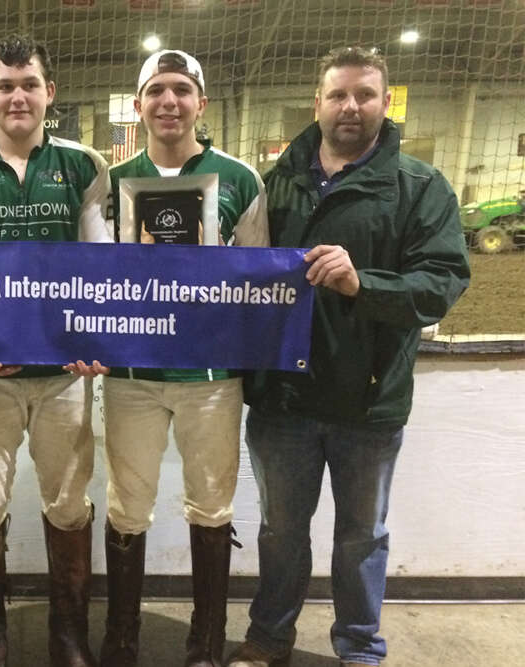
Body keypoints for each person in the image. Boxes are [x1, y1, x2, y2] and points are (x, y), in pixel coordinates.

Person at [227, 46, 470, 667]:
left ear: (386, 103)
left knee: (363, 536)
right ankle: (268, 638)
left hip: (370, 399)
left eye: (365, 95)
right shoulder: (272, 185)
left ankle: (359, 647)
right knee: (280, 533)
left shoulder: (419, 186)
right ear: (318, 103)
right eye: (338, 95)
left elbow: (442, 283)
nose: (351, 107)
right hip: (284, 398)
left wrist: (365, 283)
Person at [74, 50, 269, 667]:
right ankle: (122, 638)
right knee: (127, 507)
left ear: (200, 103)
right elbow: (91, 274)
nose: (169, 101)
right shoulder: (108, 181)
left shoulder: (240, 179)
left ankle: (206, 643)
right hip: (133, 377)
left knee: (211, 506)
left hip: (211, 378)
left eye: (182, 90)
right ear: (138, 105)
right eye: (156, 89)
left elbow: (258, 277)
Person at [0, 33, 111, 667]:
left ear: (49, 93)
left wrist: (92, 342)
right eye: (5, 85)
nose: (18, 95)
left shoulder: (85, 164)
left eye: (29, 83)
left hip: (64, 374)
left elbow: (98, 265)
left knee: (67, 503)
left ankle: (68, 635)